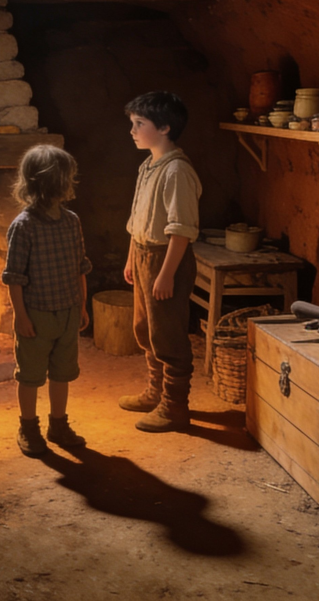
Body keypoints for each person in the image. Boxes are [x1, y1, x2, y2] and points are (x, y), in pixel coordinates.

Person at [121, 91, 202, 433]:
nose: (133, 130)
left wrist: (166, 274)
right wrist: (131, 258)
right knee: (146, 328)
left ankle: (174, 407)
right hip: (143, 255)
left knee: (168, 332)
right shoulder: (149, 165)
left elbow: (181, 230)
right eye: (132, 124)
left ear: (165, 128)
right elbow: (136, 218)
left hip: (165, 260)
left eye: (140, 124)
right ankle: (155, 391)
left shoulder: (177, 172)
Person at [3, 144, 92, 456]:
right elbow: (14, 276)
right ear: (50, 182)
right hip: (37, 314)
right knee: (30, 375)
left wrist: (81, 305)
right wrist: (21, 316)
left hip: (67, 310)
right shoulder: (23, 226)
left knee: (62, 372)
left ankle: (59, 424)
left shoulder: (72, 222)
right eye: (65, 177)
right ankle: (28, 427)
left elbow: (80, 266)